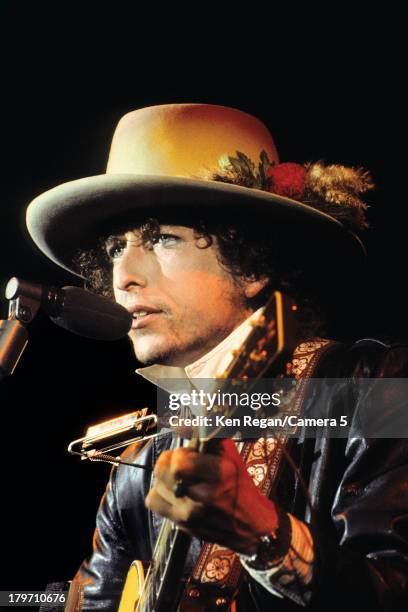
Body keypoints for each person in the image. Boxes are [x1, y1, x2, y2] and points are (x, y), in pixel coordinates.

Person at [26, 104, 408, 611]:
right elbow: (87, 601)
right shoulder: (139, 463)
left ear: (252, 264)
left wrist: (266, 536)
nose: (123, 276)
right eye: (117, 247)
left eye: (162, 238)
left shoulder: (376, 390)